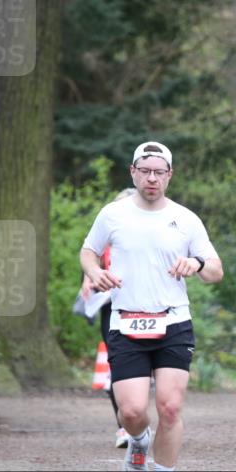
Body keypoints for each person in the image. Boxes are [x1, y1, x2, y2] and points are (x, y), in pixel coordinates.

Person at [80, 142, 223, 472]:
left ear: (170, 175)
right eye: (145, 171)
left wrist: (197, 264)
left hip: (173, 321)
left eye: (160, 172)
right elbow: (88, 251)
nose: (152, 178)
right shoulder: (112, 214)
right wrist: (95, 271)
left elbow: (216, 271)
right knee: (130, 411)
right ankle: (139, 441)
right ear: (133, 172)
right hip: (125, 321)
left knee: (170, 407)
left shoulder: (186, 218)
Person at [79, 189, 137, 449]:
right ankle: (124, 427)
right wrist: (88, 282)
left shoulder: (149, 233)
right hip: (111, 305)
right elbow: (92, 261)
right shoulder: (106, 237)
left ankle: (138, 417)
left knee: (143, 369)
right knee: (118, 364)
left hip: (145, 306)